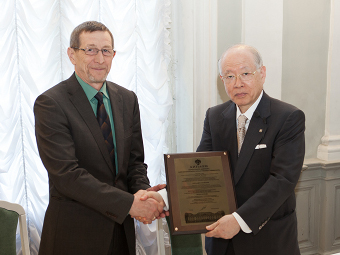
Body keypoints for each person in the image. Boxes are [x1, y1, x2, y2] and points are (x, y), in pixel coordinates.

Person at [34, 21, 167, 255]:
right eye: (90, 50)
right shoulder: (51, 103)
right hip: (74, 238)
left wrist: (145, 195)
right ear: (72, 54)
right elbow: (67, 175)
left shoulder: (127, 99)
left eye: (106, 51)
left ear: (113, 55)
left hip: (121, 235)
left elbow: (135, 163)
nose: (100, 59)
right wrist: (130, 205)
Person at [197, 44, 305, 255]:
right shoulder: (214, 117)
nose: (238, 83)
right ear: (222, 81)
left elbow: (282, 181)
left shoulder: (288, 117)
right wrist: (167, 197)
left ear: (262, 73)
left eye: (245, 73)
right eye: (229, 76)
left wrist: (239, 220)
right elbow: (201, 170)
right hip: (222, 243)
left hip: (268, 240)